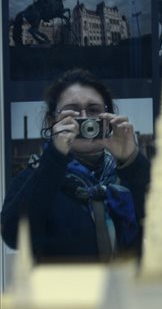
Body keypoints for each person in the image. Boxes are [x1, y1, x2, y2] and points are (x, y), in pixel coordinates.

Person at [1, 68, 150, 263]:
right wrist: (55, 155)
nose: (84, 119)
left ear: (108, 119)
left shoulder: (127, 175)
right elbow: (12, 234)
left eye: (93, 110)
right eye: (72, 112)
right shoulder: (34, 178)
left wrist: (131, 159)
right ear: (52, 121)